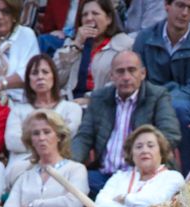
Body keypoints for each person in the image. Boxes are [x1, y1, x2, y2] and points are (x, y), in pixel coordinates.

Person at [69, 51, 182, 194]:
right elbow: (84, 137)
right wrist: (70, 165)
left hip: (144, 176)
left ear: (143, 73)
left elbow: (170, 134)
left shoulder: (157, 96)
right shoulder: (99, 98)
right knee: (73, 183)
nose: (126, 77)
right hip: (104, 176)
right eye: (120, 72)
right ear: (112, 76)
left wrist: (144, 159)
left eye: (132, 70)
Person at [133, 0, 190, 165]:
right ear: (166, 5)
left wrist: (164, 99)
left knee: (179, 108)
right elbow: (138, 78)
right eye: (180, 5)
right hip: (151, 99)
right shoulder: (145, 38)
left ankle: (187, 170)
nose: (185, 12)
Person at [3, 55, 84, 183]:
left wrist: (30, 138)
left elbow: (67, 138)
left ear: (54, 76)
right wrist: (50, 141)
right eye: (34, 73)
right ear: (28, 79)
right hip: (21, 168)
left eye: (45, 72)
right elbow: (12, 142)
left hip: (58, 168)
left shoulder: (72, 109)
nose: (40, 77)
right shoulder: (18, 110)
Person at [52, 0, 134, 104]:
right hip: (70, 104)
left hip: (103, 105)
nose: (89, 18)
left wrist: (90, 100)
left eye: (95, 13)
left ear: (108, 19)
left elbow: (120, 82)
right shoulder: (71, 43)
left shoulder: (124, 45)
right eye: (85, 15)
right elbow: (55, 79)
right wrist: (76, 45)